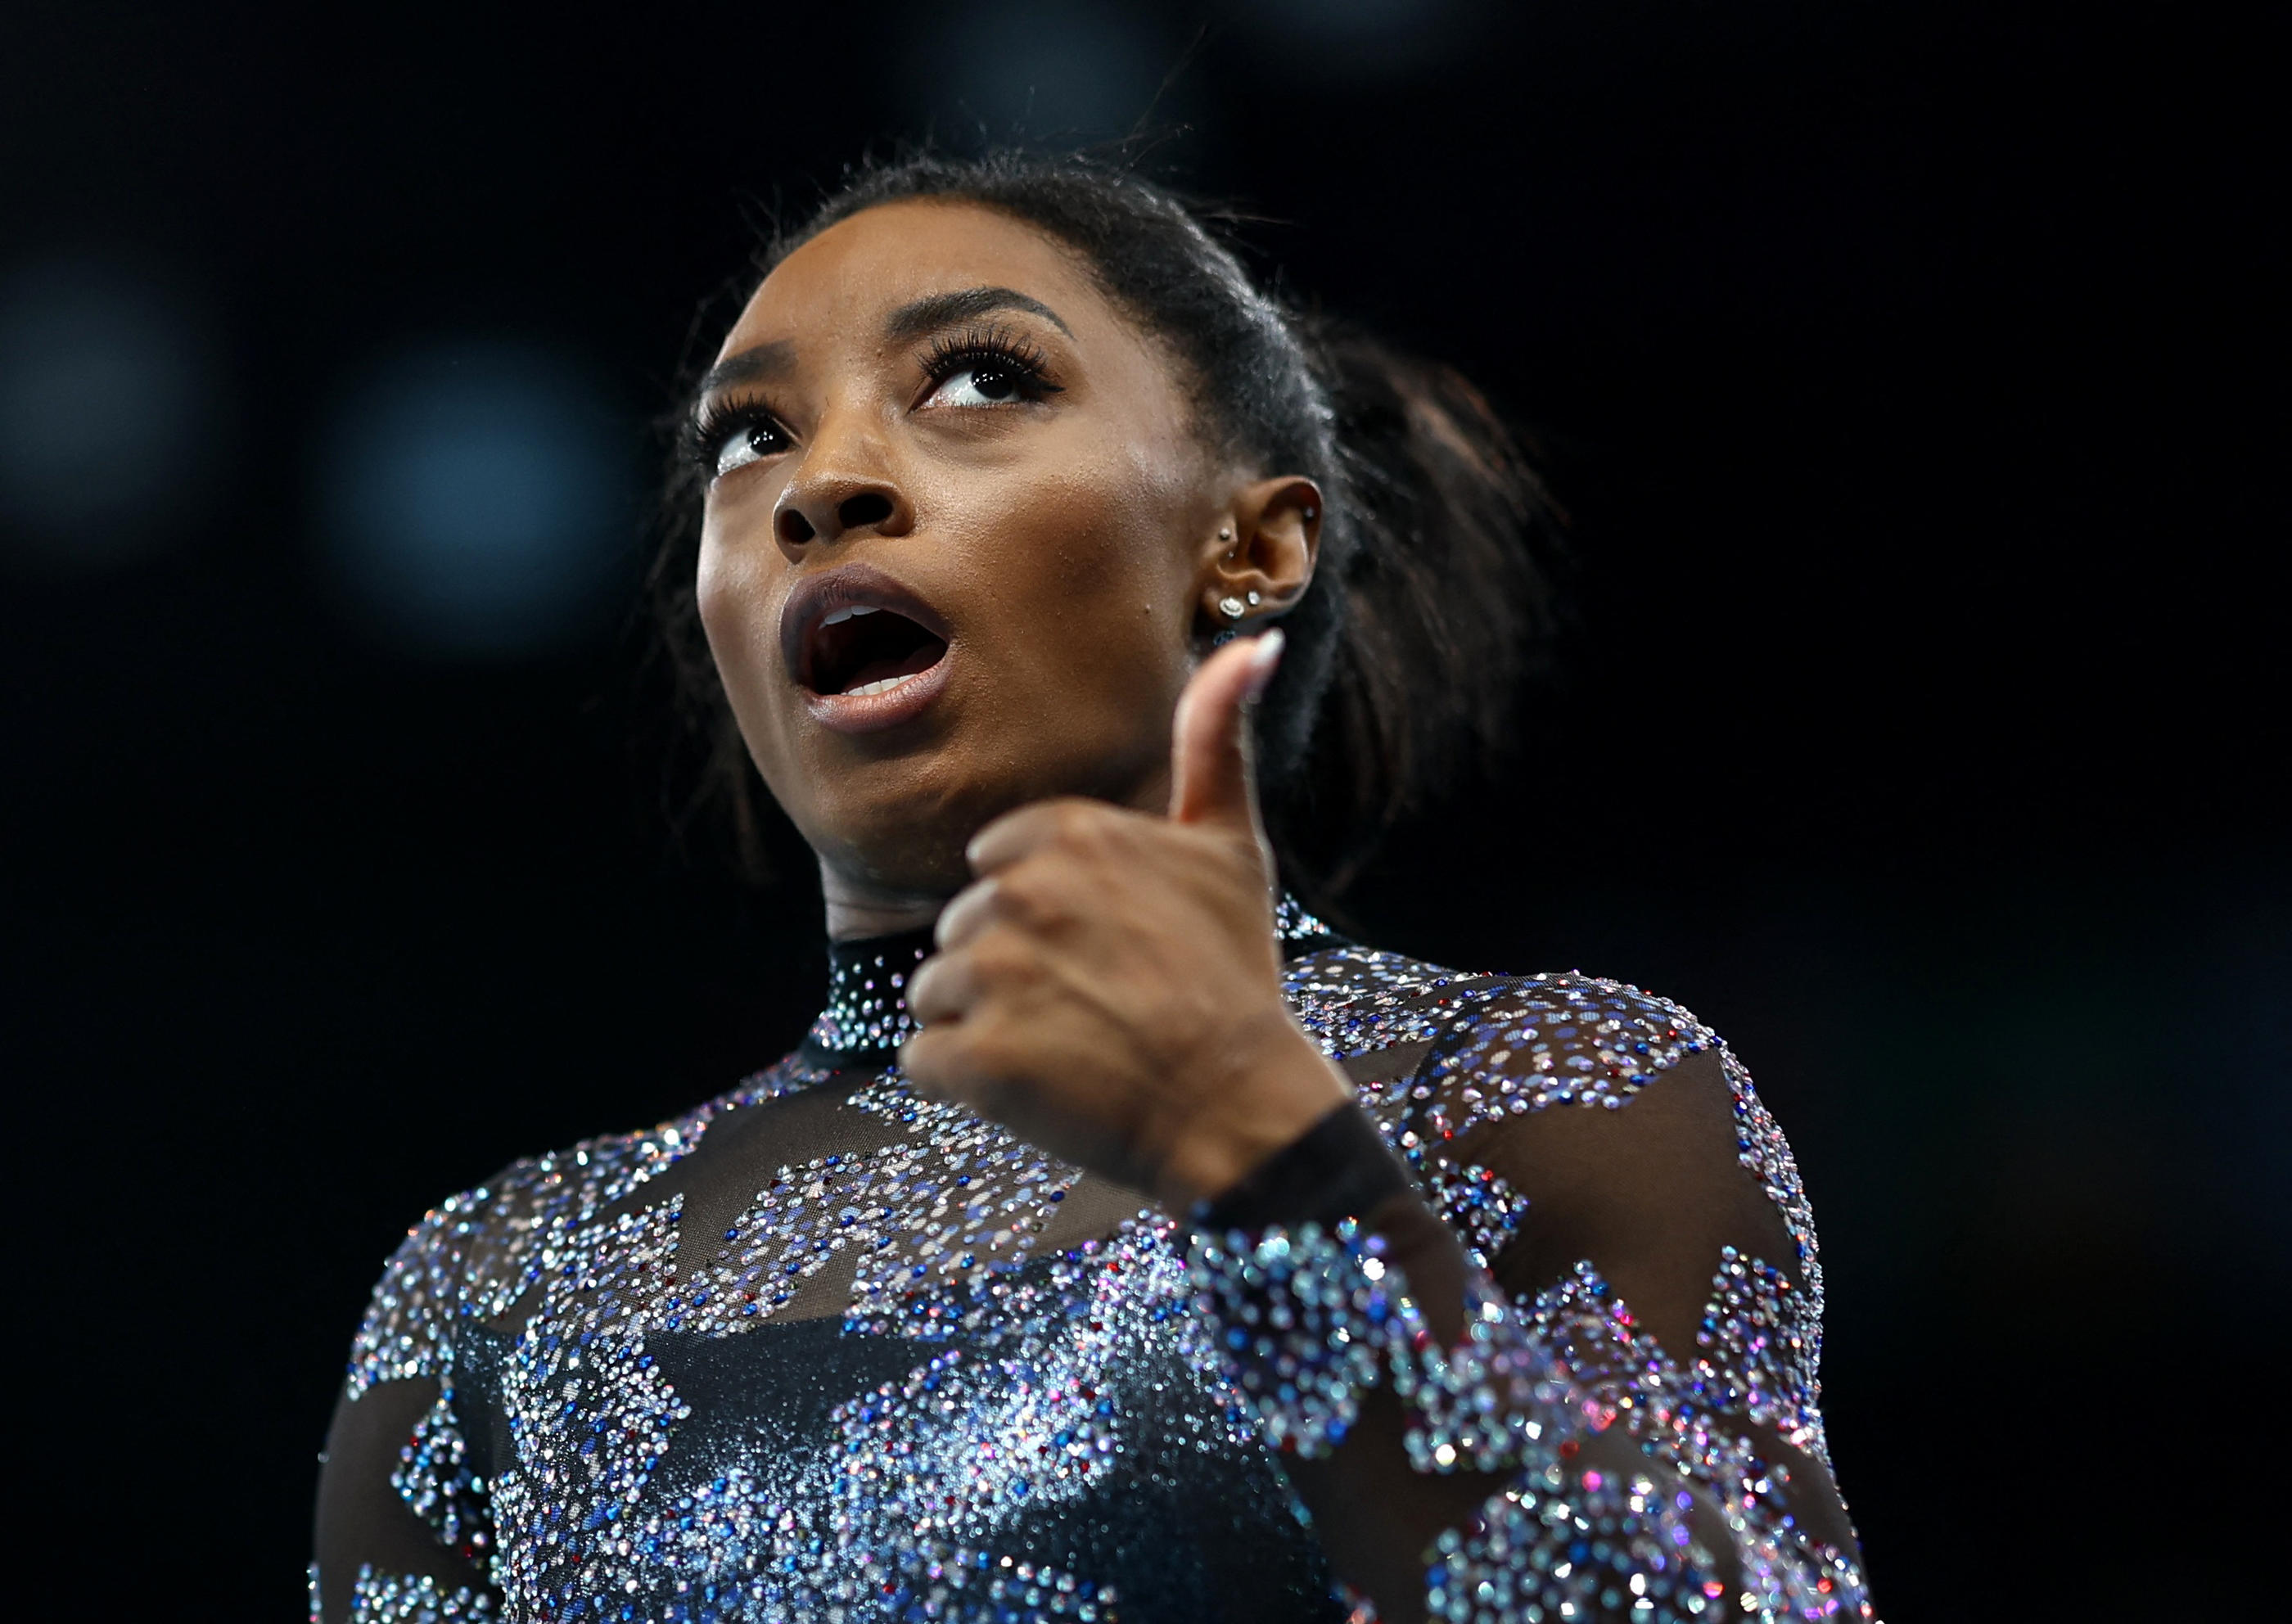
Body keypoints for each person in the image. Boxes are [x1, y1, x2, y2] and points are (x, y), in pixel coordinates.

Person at [312, 151, 1874, 1624]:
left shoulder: (1532, 1096)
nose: (820, 486)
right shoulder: (500, 1285)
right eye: (749, 438)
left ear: (1249, 544)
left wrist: (1272, 1166)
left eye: (981, 379)